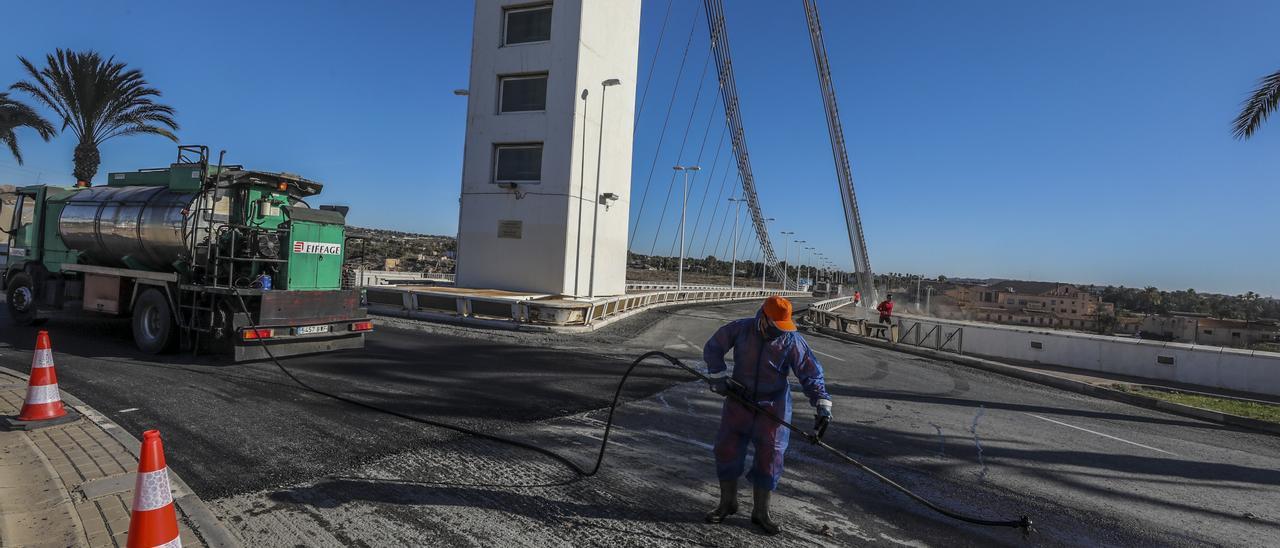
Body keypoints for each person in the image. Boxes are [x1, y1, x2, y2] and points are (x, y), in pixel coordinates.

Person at [702, 296, 833, 535]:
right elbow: (714, 347)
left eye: (782, 328)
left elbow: (810, 373)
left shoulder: (791, 340)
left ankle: (761, 512)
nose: (777, 332)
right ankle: (727, 503)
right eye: (775, 327)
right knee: (727, 449)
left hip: (773, 407)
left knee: (771, 455)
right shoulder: (740, 329)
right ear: (763, 318)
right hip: (739, 401)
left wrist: (822, 404)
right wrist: (718, 376)